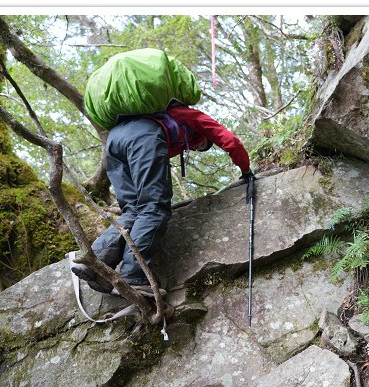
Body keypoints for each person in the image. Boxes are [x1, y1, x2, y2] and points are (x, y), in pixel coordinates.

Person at [73, 104, 253, 296]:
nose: (199, 146)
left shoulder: (161, 118)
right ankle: (133, 277)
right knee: (154, 208)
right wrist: (246, 170)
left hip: (114, 141)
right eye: (204, 143)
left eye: (201, 149)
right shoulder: (188, 114)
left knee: (133, 210)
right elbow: (230, 141)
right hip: (142, 136)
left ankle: (94, 261)